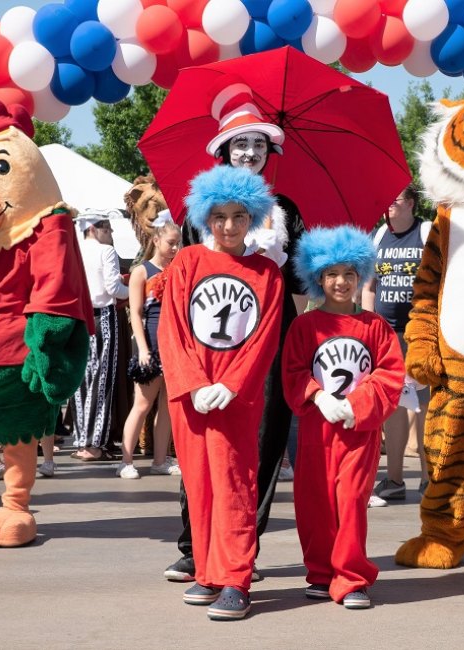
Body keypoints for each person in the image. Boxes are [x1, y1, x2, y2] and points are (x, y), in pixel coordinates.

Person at [165, 79, 306, 583]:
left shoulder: (285, 209)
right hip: (206, 343)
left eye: (259, 144)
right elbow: (181, 272)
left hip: (267, 335)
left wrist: (280, 258)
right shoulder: (198, 209)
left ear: (270, 151)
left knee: (262, 440)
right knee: (201, 439)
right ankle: (194, 544)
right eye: (240, 143)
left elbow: (300, 283)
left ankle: (245, 544)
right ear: (224, 148)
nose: (249, 151)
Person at [159, 165, 284, 621]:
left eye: (238, 216)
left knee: (234, 481)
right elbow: (172, 330)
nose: (228, 226)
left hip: (236, 396)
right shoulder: (187, 262)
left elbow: (264, 337)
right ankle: (209, 570)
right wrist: (193, 383)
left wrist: (230, 385)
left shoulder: (267, 273)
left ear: (251, 219)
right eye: (219, 216)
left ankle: (236, 577)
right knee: (198, 483)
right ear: (205, 219)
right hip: (191, 394)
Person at [283, 225, 403, 608]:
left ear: (360, 276)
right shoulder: (304, 326)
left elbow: (389, 374)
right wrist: (317, 397)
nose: (340, 281)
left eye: (349, 273)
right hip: (316, 432)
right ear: (318, 277)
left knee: (351, 501)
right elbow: (294, 371)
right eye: (332, 274)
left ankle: (351, 578)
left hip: (359, 432)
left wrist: (358, 404)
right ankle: (320, 572)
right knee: (314, 502)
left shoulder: (376, 326)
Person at [361, 183, 430, 507]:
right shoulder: (377, 237)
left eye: (397, 199)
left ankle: (431, 479)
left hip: (422, 332)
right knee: (395, 404)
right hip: (388, 334)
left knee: (427, 404)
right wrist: (369, 323)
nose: (390, 205)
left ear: (412, 203)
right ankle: (395, 478)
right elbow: (369, 287)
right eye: (387, 199)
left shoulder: (427, 233)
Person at [118, 212, 182, 479]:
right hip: (151, 344)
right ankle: (126, 460)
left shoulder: (179, 270)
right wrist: (143, 349)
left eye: (178, 243)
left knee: (168, 406)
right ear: (156, 240)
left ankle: (160, 459)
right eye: (171, 242)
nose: (175, 248)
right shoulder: (141, 271)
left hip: (175, 345)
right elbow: (135, 313)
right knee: (142, 404)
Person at [72, 211, 129, 462]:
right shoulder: (106, 252)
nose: (111, 234)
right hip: (101, 316)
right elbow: (113, 288)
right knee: (102, 378)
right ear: (94, 229)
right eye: (107, 229)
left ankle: (82, 439)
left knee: (81, 379)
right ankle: (95, 444)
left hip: (77, 316)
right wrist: (137, 288)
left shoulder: (72, 251)